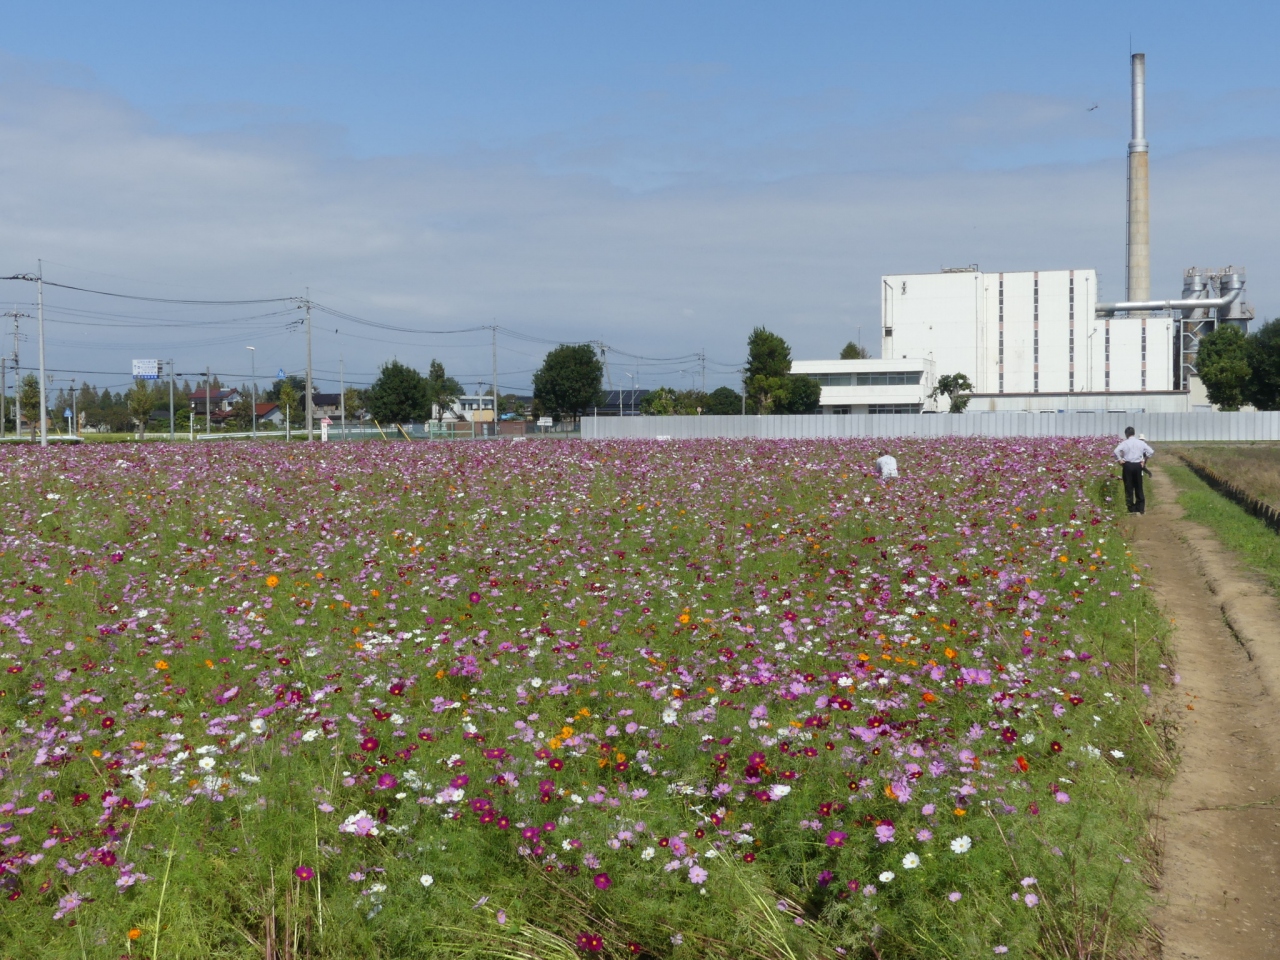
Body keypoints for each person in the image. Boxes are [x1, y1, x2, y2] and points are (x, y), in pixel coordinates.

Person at [1114, 427, 1155, 514]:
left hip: (1128, 465)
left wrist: (1120, 459)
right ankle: (1140, 507)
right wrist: (1144, 460)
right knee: (1138, 486)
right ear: (1134, 433)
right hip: (1137, 465)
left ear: (1126, 434)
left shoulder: (1124, 443)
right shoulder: (1140, 442)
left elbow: (1116, 451)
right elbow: (1151, 451)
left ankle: (1130, 507)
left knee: (1128, 486)